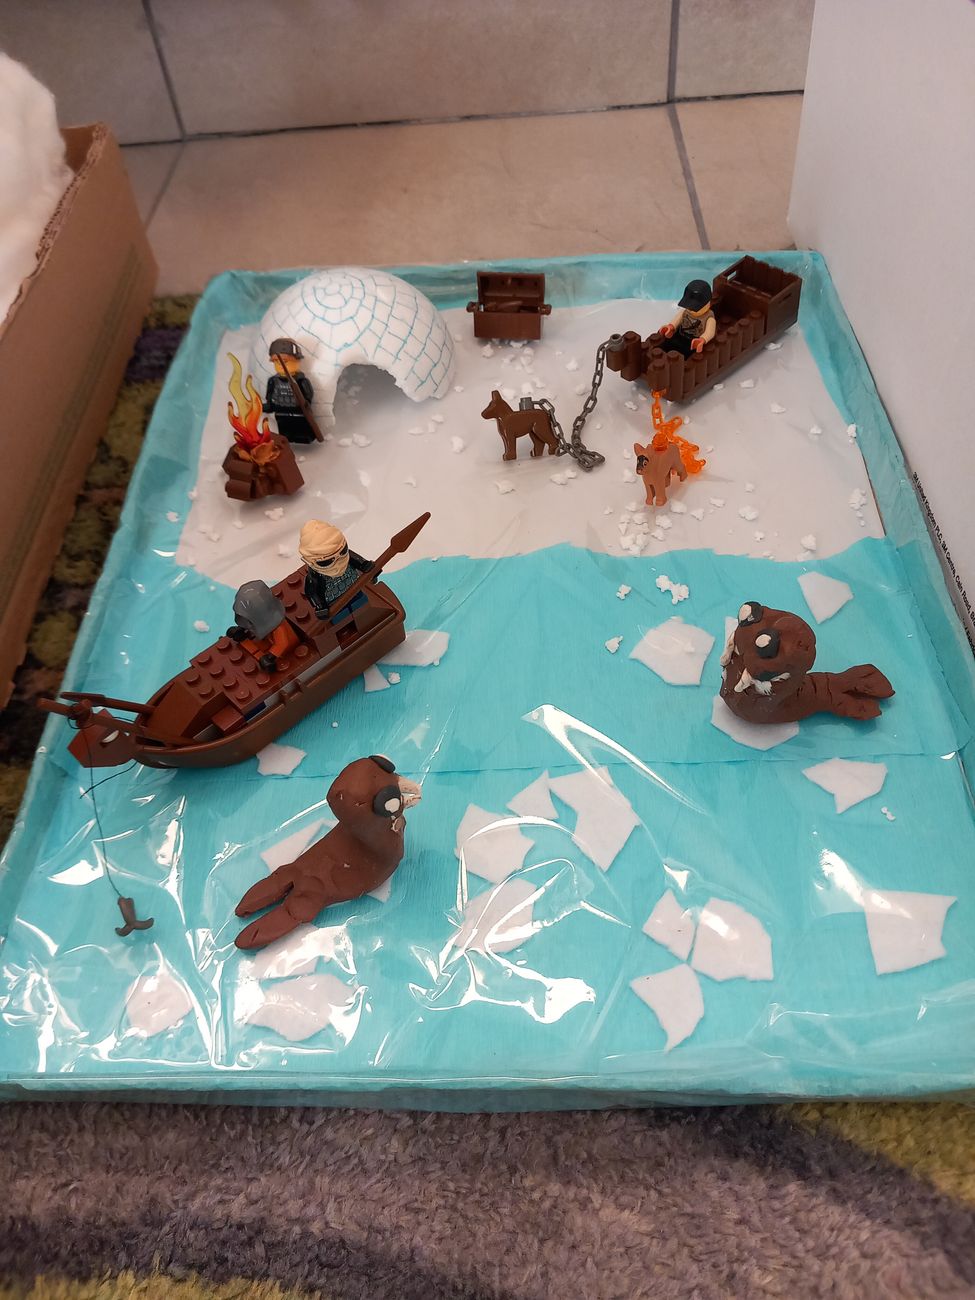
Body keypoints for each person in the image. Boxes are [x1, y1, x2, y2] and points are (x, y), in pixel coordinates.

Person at [299, 520, 377, 634]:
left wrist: (366, 566)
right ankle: (346, 630)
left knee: (361, 604)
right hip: (334, 602)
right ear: (310, 561)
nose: (338, 562)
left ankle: (366, 619)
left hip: (354, 588)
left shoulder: (347, 557)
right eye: (326, 562)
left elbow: (358, 561)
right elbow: (312, 592)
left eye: (343, 551)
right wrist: (320, 606)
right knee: (341, 618)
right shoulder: (315, 576)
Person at [227, 579, 298, 672]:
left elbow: (282, 644)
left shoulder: (278, 627)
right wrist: (242, 629)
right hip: (267, 640)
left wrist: (270, 657)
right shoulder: (263, 621)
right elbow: (253, 622)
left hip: (285, 653)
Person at [263, 338, 316, 443]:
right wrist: (262, 407)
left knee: (302, 435)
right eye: (276, 362)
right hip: (281, 418)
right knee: (284, 437)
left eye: (285, 362)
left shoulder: (301, 381)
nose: (280, 365)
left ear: (297, 361)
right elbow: (270, 402)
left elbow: (308, 398)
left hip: (300, 417)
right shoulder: (273, 381)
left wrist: (306, 405)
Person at [659, 279, 716, 358]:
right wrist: (671, 327)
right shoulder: (685, 312)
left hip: (694, 340)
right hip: (680, 335)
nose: (690, 309)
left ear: (707, 303)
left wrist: (702, 340)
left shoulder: (709, 318)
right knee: (668, 343)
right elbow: (677, 319)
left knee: (688, 353)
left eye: (695, 307)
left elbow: (710, 332)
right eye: (689, 306)